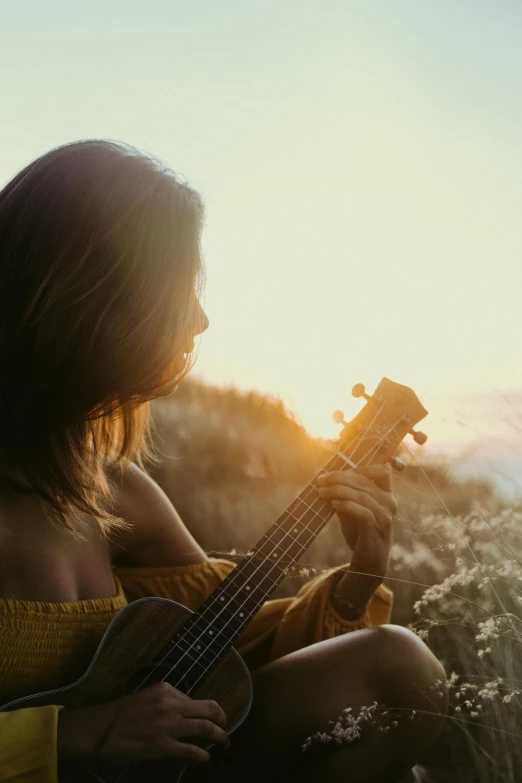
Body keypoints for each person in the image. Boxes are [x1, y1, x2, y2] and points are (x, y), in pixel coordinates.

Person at [0, 139, 447, 783]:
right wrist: (77, 733)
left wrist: (358, 575)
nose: (201, 319)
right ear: (95, 294)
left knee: (400, 670)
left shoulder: (114, 489)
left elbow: (224, 653)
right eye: (178, 287)